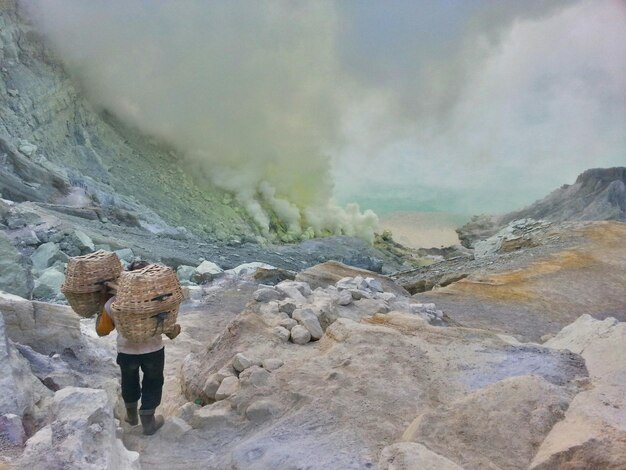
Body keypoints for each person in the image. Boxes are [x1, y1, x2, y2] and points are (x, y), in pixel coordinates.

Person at [97, 259, 181, 436]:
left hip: (127, 353)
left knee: (129, 381)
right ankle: (148, 422)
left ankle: (131, 416)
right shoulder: (160, 301)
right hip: (154, 351)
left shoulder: (114, 302)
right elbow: (170, 328)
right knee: (153, 381)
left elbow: (102, 331)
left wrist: (103, 303)